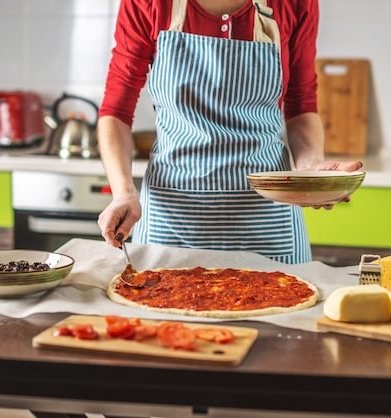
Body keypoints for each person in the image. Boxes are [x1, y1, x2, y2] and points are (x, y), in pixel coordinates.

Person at [97, 0, 362, 264]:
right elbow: (116, 110)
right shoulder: (148, 3)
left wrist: (310, 166)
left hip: (268, 223)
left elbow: (301, 103)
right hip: (172, 222)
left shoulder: (296, 3)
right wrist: (123, 191)